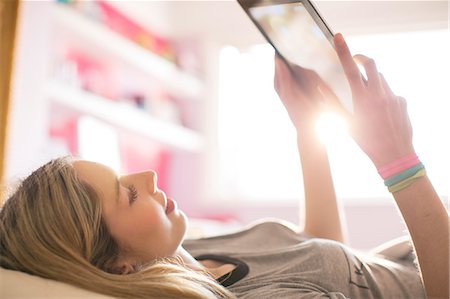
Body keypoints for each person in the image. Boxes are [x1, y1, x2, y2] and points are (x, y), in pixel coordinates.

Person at [0, 33, 448, 299]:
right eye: (128, 193)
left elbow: (327, 253)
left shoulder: (188, 251)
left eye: (124, 175)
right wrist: (398, 161)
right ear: (117, 266)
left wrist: (305, 129)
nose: (149, 177)